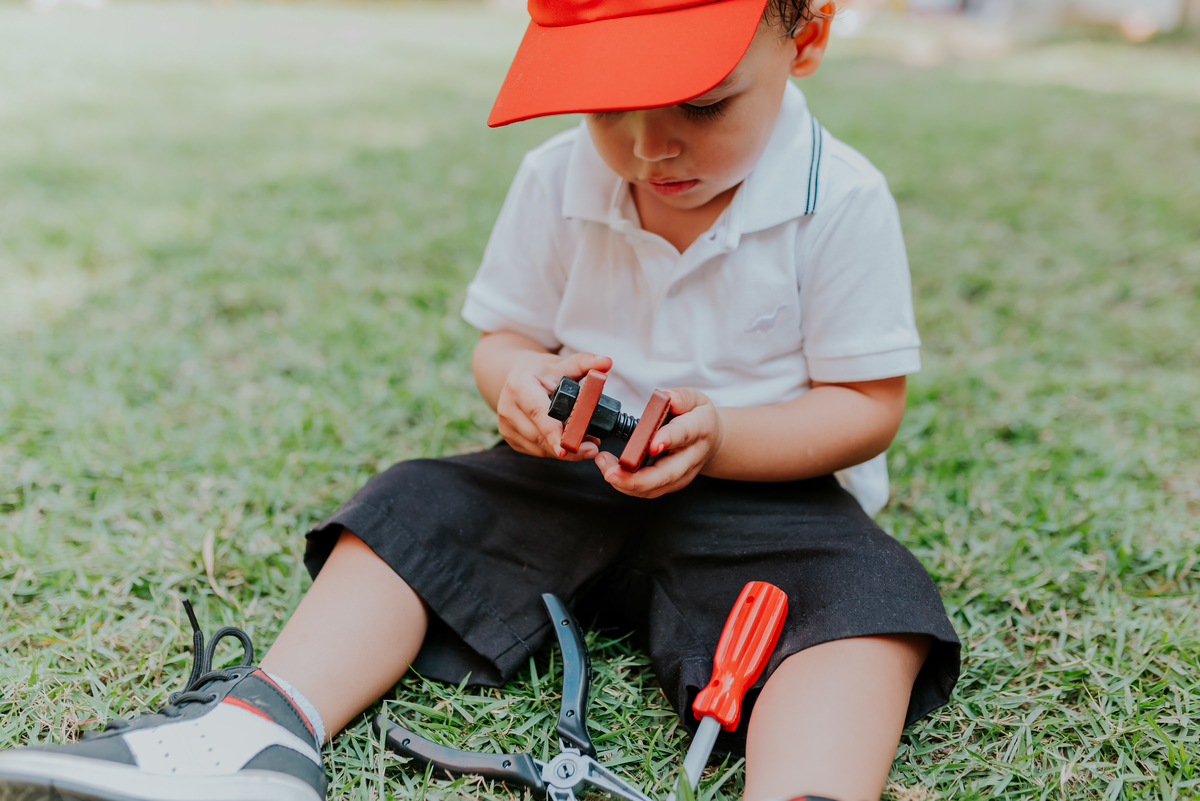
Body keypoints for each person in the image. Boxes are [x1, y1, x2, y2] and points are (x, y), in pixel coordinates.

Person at [0, 1, 961, 799]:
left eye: (702, 104)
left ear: (805, 39)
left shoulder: (840, 198)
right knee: (414, 505)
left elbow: (863, 405)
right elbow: (504, 342)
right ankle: (261, 730)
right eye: (607, 105)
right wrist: (519, 391)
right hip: (567, 473)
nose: (645, 146)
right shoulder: (557, 177)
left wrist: (723, 441)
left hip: (763, 496)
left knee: (865, 606)